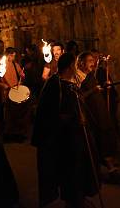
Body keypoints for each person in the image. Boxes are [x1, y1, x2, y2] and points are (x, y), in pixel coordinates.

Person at [32, 52, 100, 208]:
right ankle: (74, 200)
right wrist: (74, 118)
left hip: (72, 135)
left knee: (79, 167)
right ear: (71, 66)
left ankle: (77, 198)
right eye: (75, 64)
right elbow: (52, 114)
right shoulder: (55, 85)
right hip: (64, 139)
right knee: (72, 170)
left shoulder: (64, 83)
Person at [78, 52, 120, 185]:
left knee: (105, 139)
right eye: (89, 60)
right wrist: (93, 90)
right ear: (82, 63)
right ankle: (101, 172)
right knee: (95, 142)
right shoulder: (78, 77)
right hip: (90, 116)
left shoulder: (91, 75)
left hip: (100, 114)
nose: (92, 63)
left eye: (93, 60)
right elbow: (80, 97)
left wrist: (103, 87)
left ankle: (111, 170)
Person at [0, 47, 30, 140]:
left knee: (17, 115)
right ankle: (8, 134)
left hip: (16, 92)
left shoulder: (15, 65)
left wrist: (22, 76)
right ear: (7, 55)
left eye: (14, 56)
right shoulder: (0, 66)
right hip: (6, 94)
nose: (13, 58)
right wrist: (3, 85)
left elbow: (21, 75)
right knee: (8, 116)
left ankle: (18, 134)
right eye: (11, 55)